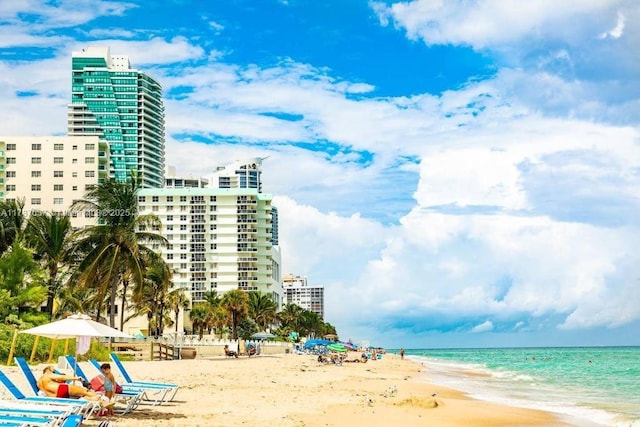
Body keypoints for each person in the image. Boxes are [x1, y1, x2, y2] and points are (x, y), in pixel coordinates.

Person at [37, 366, 108, 404]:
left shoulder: (39, 382)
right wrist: (76, 378)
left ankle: (95, 400)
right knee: (85, 391)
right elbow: (62, 377)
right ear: (48, 370)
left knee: (80, 396)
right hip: (61, 389)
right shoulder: (48, 374)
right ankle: (103, 402)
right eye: (54, 371)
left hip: (55, 397)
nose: (54, 372)